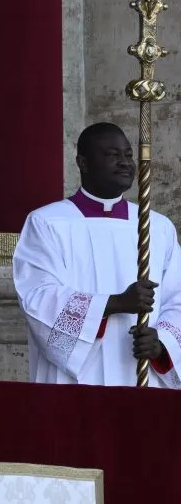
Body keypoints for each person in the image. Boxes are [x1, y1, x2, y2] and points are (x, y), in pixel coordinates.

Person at [13, 122, 181, 387]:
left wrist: (161, 343)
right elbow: (38, 298)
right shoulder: (47, 223)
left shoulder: (157, 227)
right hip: (76, 381)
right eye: (112, 155)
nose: (125, 163)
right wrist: (113, 303)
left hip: (141, 374)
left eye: (128, 155)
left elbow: (177, 300)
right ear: (83, 162)